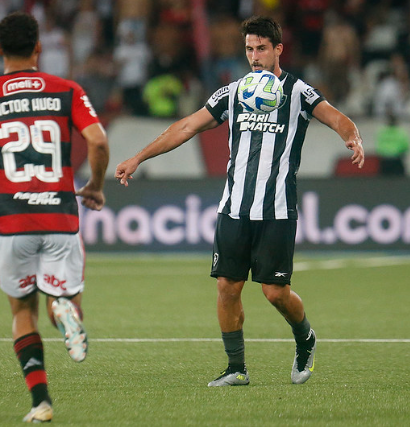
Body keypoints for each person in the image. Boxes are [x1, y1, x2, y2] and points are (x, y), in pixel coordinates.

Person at [115, 16, 364, 387]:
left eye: (261, 48)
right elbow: (186, 126)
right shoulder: (233, 92)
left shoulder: (297, 92)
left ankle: (305, 338)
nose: (254, 56)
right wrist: (139, 156)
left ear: (278, 49)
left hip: (277, 208)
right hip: (234, 207)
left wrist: (352, 137)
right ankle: (236, 368)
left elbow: (337, 117)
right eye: (249, 48)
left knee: (275, 292)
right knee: (227, 287)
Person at [0, 12, 109, 423]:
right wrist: (95, 185)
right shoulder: (66, 90)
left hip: (9, 218)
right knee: (64, 299)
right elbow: (98, 140)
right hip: (58, 215)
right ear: (39, 47)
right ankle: (64, 311)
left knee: (22, 312)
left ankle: (41, 402)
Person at [375, 110, 410, 176]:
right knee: (400, 180)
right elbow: (406, 147)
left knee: (384, 181)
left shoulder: (382, 132)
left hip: (385, 160)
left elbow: (379, 147)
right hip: (397, 159)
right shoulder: (401, 132)